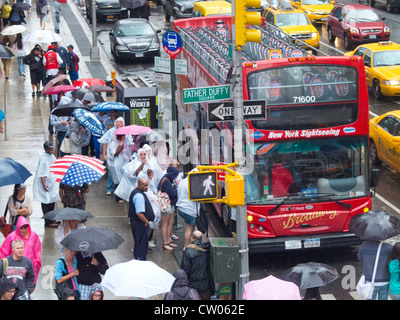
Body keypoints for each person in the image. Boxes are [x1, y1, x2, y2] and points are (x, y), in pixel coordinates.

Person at [0, 217, 42, 285]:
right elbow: (4, 252)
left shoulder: (34, 236)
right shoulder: (11, 237)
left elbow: (37, 251)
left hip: (30, 266)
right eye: (21, 228)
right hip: (15, 268)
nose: (23, 230)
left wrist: (36, 264)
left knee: (28, 288)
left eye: (25, 228)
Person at [33, 141, 60, 228]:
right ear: (45, 149)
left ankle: (52, 219)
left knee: (52, 201)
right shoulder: (43, 158)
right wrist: (44, 184)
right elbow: (41, 173)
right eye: (48, 148)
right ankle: (48, 222)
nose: (50, 150)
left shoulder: (52, 157)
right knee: (46, 203)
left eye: (51, 148)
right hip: (46, 184)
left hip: (52, 184)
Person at [180, 231, 214, 300]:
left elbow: (185, 269)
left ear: (192, 238)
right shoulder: (207, 249)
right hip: (205, 285)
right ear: (201, 239)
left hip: (192, 286)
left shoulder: (188, 251)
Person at [128, 178, 155, 260]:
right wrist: (146, 222)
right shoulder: (139, 196)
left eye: (147, 185)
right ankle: (140, 260)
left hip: (136, 223)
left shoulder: (136, 192)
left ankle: (138, 258)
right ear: (139, 185)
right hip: (140, 224)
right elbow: (139, 213)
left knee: (139, 243)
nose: (147, 187)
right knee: (141, 245)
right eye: (145, 185)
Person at [176, 170, 200, 250]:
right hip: (189, 209)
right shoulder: (191, 183)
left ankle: (189, 244)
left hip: (181, 208)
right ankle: (186, 246)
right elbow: (195, 197)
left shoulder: (183, 182)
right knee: (189, 229)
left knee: (190, 228)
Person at [158, 166, 179, 251]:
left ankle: (168, 241)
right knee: (165, 224)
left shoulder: (168, 179)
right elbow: (173, 192)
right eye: (175, 175)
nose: (176, 177)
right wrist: (175, 188)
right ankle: (165, 243)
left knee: (169, 222)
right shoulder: (166, 181)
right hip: (166, 205)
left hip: (169, 204)